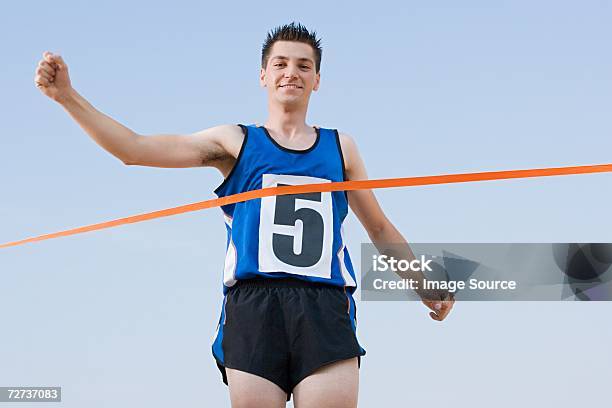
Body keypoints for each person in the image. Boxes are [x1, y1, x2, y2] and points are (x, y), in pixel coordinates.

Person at [34, 22, 454, 408]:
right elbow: (134, 149)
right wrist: (68, 98)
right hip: (254, 306)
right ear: (264, 75)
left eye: (304, 65)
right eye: (281, 63)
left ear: (317, 80)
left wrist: (421, 283)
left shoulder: (341, 148)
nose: (292, 72)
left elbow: (378, 226)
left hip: (325, 307)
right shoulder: (234, 142)